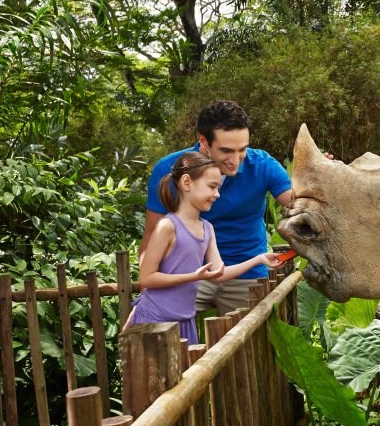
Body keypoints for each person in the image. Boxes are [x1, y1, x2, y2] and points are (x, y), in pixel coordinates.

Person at [140, 100, 293, 316]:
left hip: (246, 272)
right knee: (164, 337)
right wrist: (148, 283)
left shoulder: (262, 165)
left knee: (250, 346)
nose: (235, 160)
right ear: (203, 141)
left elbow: (298, 205)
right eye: (226, 151)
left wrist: (319, 179)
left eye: (242, 149)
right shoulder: (169, 169)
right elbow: (151, 232)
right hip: (188, 274)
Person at [126, 152, 283, 343]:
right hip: (156, 320)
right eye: (212, 187)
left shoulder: (207, 228)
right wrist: (194, 277)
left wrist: (259, 259)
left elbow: (219, 273)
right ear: (187, 183)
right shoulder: (167, 226)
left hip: (185, 321)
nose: (217, 194)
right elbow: (147, 278)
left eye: (218, 187)